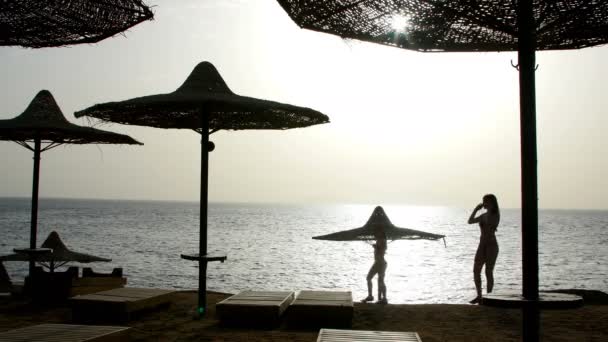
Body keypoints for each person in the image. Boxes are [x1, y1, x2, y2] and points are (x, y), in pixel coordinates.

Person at [467, 194, 500, 304]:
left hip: (491, 245)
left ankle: (489, 297)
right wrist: (476, 209)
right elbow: (470, 221)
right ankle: (479, 296)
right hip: (482, 245)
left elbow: (491, 221)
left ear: (490, 203)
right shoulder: (484, 215)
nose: (483, 203)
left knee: (488, 271)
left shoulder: (495, 214)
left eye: (485, 201)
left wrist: (489, 208)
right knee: (476, 270)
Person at [362, 225, 388, 304]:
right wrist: (376, 246)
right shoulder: (379, 240)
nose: (376, 233)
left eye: (378, 232)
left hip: (380, 263)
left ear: (381, 232)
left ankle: (383, 298)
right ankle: (372, 296)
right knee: (370, 278)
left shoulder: (383, 240)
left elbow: (383, 249)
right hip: (378, 262)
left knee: (379, 280)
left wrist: (376, 247)